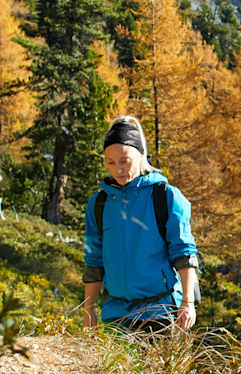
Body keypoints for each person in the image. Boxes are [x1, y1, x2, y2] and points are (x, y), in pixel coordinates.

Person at [81, 116, 200, 332]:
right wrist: (88, 308)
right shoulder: (98, 204)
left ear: (140, 155)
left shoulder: (166, 197)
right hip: (115, 315)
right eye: (110, 162)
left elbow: (184, 252)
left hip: (162, 313)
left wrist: (188, 303)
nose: (118, 169)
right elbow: (93, 259)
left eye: (124, 160)